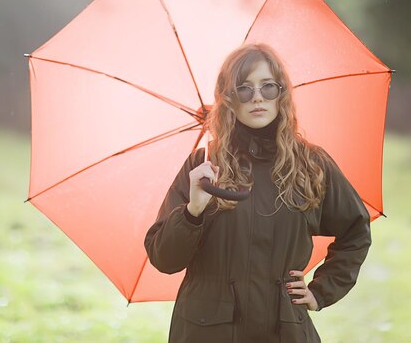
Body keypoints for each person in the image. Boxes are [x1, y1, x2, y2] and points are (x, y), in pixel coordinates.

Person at [145, 43, 372, 343]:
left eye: (268, 87)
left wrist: (320, 291)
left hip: (283, 330)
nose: (257, 98)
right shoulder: (204, 167)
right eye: (244, 89)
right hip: (207, 332)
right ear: (228, 98)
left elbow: (356, 231)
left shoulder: (311, 165)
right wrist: (192, 213)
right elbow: (164, 258)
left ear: (282, 94)